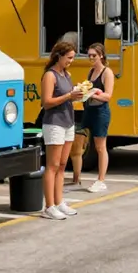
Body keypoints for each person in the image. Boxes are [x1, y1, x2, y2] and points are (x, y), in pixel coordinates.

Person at [40, 40, 84, 220]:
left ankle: (59, 202)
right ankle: (49, 206)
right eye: (69, 58)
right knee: (52, 165)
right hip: (54, 123)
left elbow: (68, 98)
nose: (71, 61)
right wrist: (68, 96)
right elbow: (46, 102)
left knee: (63, 164)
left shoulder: (66, 74)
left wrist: (78, 95)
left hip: (68, 122)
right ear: (59, 56)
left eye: (72, 58)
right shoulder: (50, 76)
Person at [70, 43, 114, 192]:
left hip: (101, 112)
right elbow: (87, 89)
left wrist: (93, 94)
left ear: (101, 55)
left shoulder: (107, 72)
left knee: (100, 147)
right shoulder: (91, 72)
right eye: (89, 55)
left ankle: (101, 180)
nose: (91, 58)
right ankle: (76, 177)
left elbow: (108, 96)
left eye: (94, 55)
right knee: (82, 142)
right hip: (89, 110)